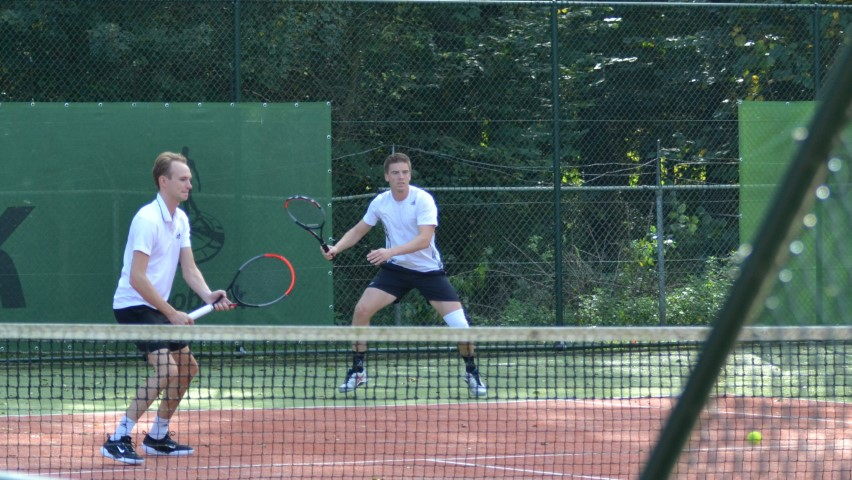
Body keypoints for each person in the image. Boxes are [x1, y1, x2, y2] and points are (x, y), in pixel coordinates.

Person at [101, 151, 233, 465]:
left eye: (189, 179)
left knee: (187, 369)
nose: (189, 184)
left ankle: (157, 436)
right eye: (183, 179)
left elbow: (189, 269)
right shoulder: (147, 219)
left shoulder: (181, 219)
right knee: (167, 370)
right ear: (164, 181)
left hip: (156, 307)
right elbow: (136, 277)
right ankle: (117, 438)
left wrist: (208, 295)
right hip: (134, 305)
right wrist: (172, 313)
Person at [322, 152, 487, 397]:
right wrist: (336, 248)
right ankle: (358, 371)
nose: (401, 177)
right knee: (362, 310)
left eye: (405, 172)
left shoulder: (423, 200)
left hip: (428, 272)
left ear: (410, 174)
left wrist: (389, 252)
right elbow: (358, 230)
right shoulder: (380, 202)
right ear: (387, 176)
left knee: (460, 326)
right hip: (396, 271)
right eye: (396, 173)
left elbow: (424, 240)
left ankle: (471, 372)